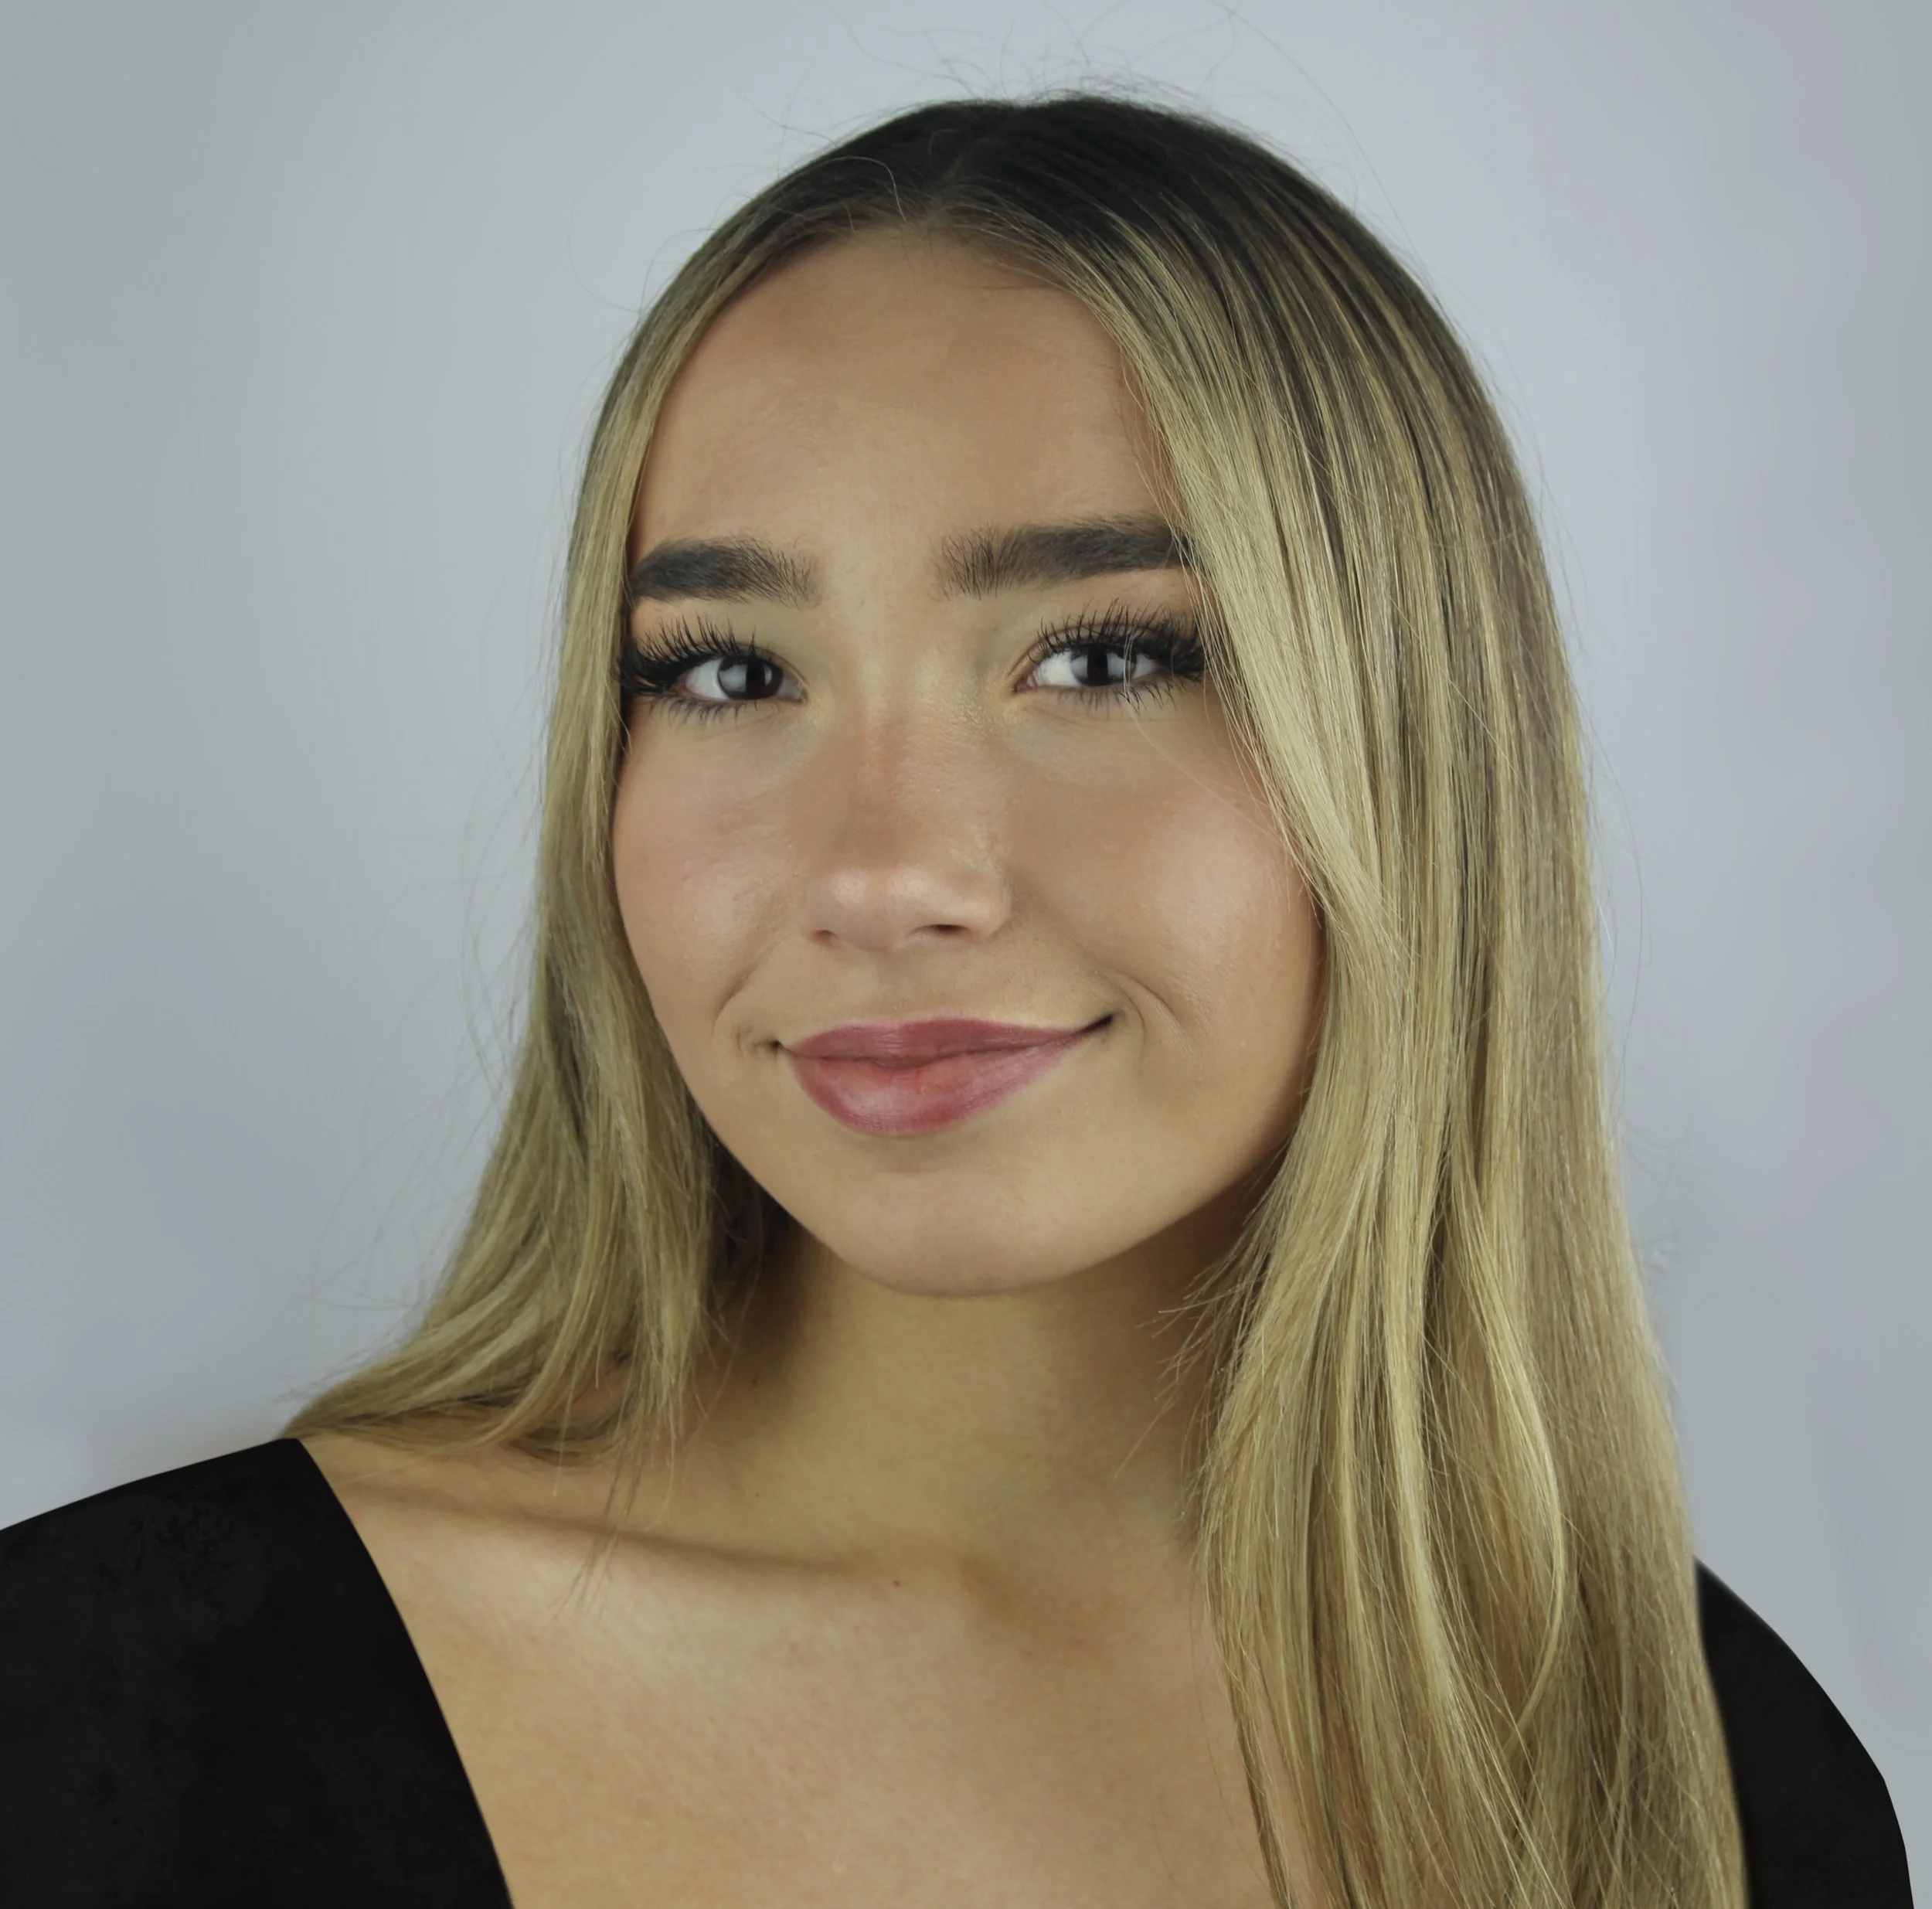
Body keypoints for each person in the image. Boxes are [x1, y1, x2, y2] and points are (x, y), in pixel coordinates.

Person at [0, 94, 1911, 1909]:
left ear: (1418, 757)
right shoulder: (103, 1703)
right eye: (731, 674)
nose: (881, 870)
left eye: (1096, 656)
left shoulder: (1707, 1784)